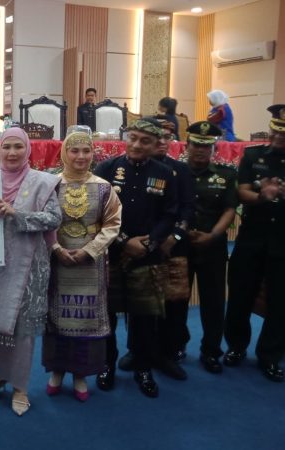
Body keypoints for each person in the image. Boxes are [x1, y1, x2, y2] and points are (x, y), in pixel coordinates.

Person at [0, 128, 61, 416]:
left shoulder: (42, 182)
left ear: (28, 150)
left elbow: (54, 219)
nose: (12, 153)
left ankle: (20, 387)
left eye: (18, 147)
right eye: (6, 147)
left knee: (23, 329)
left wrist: (18, 215)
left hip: (29, 266)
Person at [93, 118, 178, 398]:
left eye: (145, 141)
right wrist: (123, 241)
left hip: (147, 256)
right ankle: (107, 365)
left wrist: (150, 243)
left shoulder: (165, 173)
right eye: (133, 138)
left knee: (144, 318)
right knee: (107, 316)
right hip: (111, 254)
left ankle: (143, 368)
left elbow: (170, 215)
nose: (137, 145)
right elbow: (96, 213)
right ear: (126, 138)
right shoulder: (106, 169)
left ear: (155, 145)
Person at [42, 130, 121, 403]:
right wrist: (56, 249)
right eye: (74, 150)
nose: (81, 156)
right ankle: (56, 372)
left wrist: (90, 251)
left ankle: (80, 374)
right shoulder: (51, 184)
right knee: (57, 318)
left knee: (85, 320)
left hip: (90, 265)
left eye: (86, 151)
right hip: (57, 261)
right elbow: (42, 221)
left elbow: (112, 225)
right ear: (65, 153)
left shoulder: (104, 187)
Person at [118, 118, 194, 380]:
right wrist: (128, 241)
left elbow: (182, 209)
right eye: (135, 138)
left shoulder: (176, 170)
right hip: (127, 247)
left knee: (167, 306)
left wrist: (167, 238)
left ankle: (165, 354)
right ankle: (136, 352)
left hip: (167, 247)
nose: (160, 141)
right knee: (135, 305)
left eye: (166, 136)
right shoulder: (115, 167)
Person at [223, 104, 285, 383]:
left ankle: (270, 356)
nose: (279, 137)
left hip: (282, 240)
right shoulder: (253, 155)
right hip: (251, 238)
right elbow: (241, 191)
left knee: (280, 301)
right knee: (240, 295)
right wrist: (262, 195)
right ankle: (236, 347)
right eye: (276, 131)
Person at [183, 121, 236, 374]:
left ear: (213, 149)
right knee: (176, 301)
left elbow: (229, 209)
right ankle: (175, 345)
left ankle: (211, 351)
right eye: (196, 144)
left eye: (206, 146)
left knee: (213, 302)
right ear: (187, 145)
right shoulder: (174, 172)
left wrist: (213, 235)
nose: (201, 150)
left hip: (212, 247)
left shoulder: (226, 175)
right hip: (180, 246)